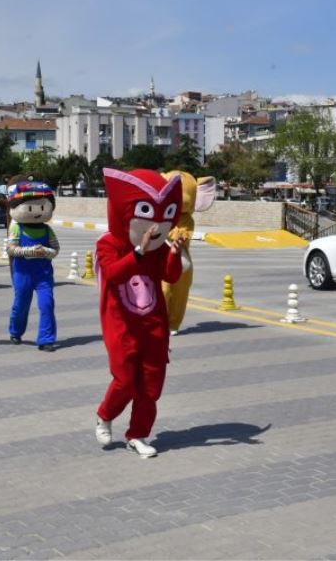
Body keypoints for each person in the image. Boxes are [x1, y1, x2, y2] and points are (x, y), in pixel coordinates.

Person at [94, 168, 185, 458]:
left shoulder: (159, 248)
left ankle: (138, 434)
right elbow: (111, 273)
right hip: (121, 324)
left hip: (153, 325)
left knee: (150, 384)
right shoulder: (108, 243)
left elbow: (170, 277)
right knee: (124, 379)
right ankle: (105, 414)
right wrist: (138, 253)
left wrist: (174, 252)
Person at [160, 171, 216, 335]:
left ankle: (173, 323)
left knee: (180, 294)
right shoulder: (161, 214)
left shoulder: (187, 219)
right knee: (163, 290)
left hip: (181, 262)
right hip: (161, 260)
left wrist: (168, 232)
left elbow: (183, 235)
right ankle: (160, 320)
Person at [6, 181, 59, 351]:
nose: (36, 212)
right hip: (23, 273)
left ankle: (46, 339)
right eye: (30, 208)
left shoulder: (47, 230)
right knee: (21, 304)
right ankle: (16, 331)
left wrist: (45, 252)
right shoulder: (16, 229)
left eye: (42, 207)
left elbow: (56, 249)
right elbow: (11, 249)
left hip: (43, 273)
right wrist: (29, 251)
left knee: (47, 304)